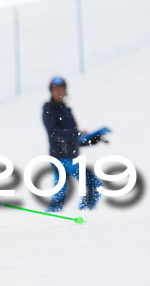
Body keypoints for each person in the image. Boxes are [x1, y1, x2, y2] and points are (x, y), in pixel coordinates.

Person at [42, 76, 110, 212]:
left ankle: (51, 218)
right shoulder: (50, 109)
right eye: (55, 89)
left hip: (70, 156)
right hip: (62, 158)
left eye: (61, 89)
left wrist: (91, 140)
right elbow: (55, 133)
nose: (59, 92)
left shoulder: (66, 110)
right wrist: (78, 134)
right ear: (51, 92)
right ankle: (85, 215)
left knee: (60, 194)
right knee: (93, 185)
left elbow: (72, 137)